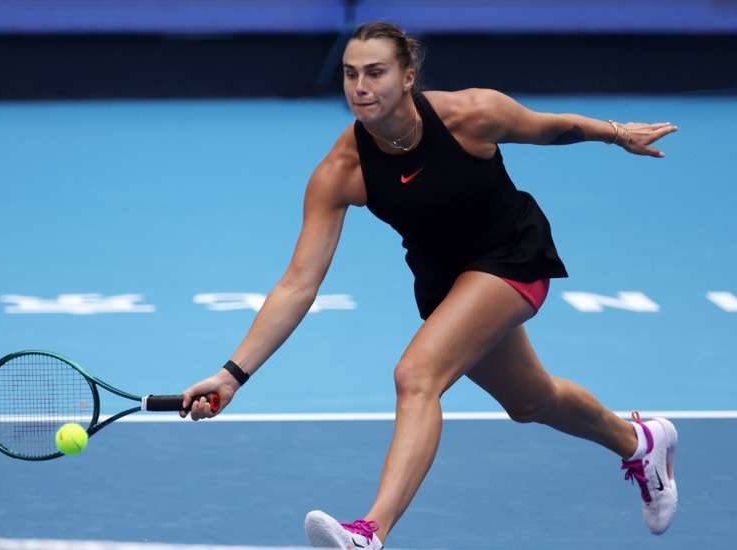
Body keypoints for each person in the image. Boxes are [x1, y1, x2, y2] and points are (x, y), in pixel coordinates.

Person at [180, 21, 680, 549]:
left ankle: (370, 531)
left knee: (416, 374)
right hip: (445, 280)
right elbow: (298, 285)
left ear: (409, 76)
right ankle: (639, 442)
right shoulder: (342, 170)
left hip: (512, 255)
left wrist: (618, 133)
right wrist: (233, 374)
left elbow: (551, 127)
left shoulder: (471, 115)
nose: (361, 86)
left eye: (375, 72)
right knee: (531, 401)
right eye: (351, 74)